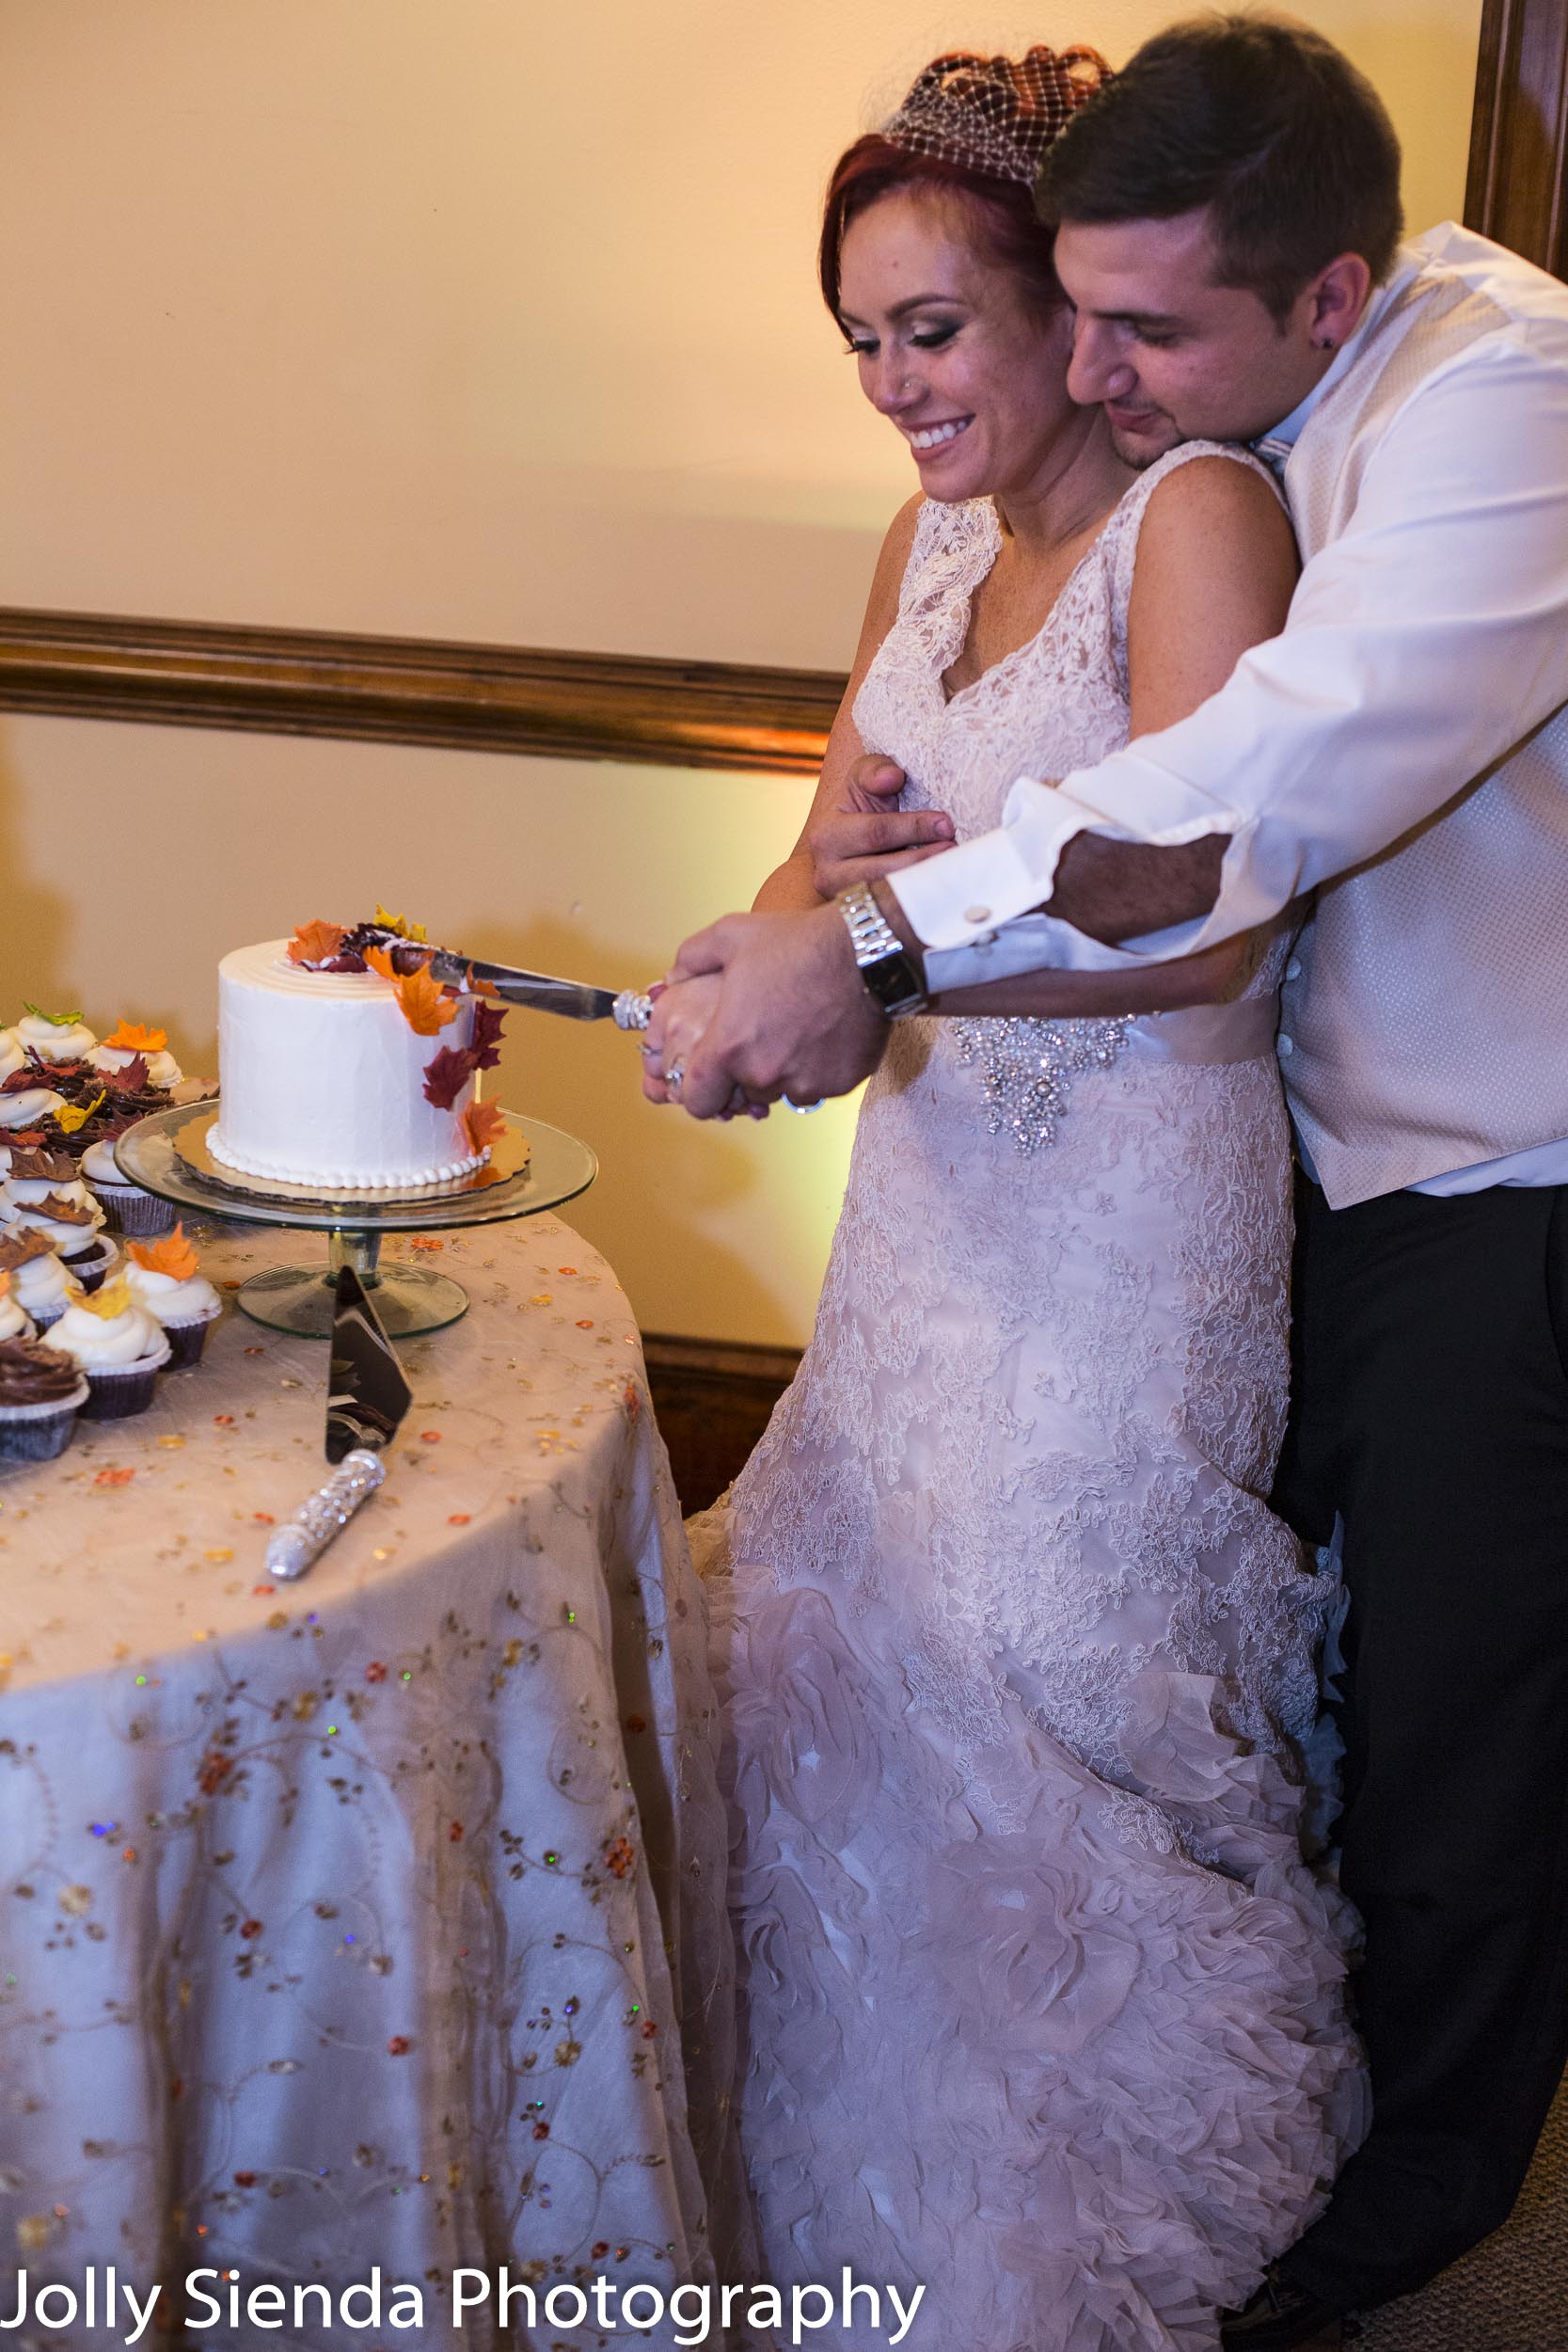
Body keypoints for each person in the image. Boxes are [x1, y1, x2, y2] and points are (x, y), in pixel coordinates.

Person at [651, 17, 1568, 2349]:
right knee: (1094, 1661)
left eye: (1125, 325)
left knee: (1426, 1702)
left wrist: (866, 959)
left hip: (1480, 1152)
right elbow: (853, 810)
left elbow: (1244, 831)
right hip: (1130, 1182)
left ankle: (1405, 2193)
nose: (1105, 363)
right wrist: (817, 893)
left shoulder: (1473, 419)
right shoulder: (998, 497)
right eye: (864, 337)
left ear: (1326, 299)